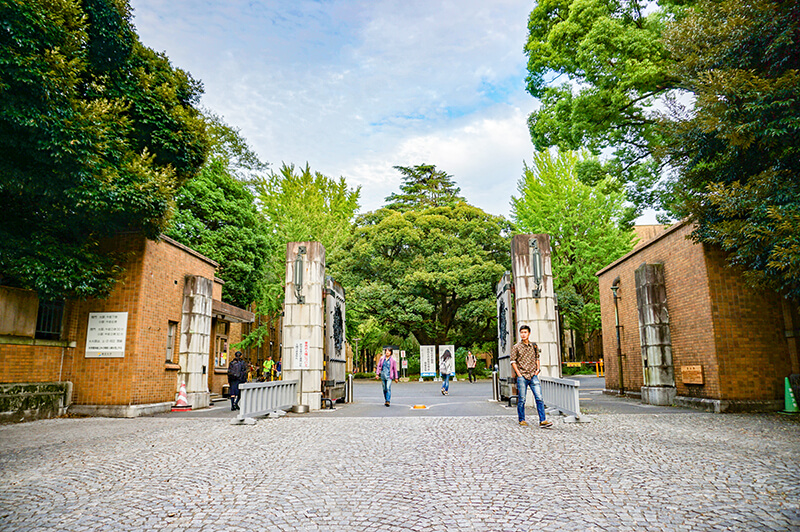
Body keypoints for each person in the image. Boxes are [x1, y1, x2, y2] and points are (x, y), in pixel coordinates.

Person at [510, 325, 552, 428]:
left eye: (525, 332)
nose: (523, 334)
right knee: (522, 399)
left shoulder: (534, 346)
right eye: (521, 332)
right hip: (522, 376)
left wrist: (537, 370)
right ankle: (522, 419)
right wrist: (518, 374)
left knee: (539, 398)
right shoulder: (516, 347)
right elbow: (513, 361)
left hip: (533, 375)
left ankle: (543, 420)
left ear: (529, 333)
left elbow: (537, 357)